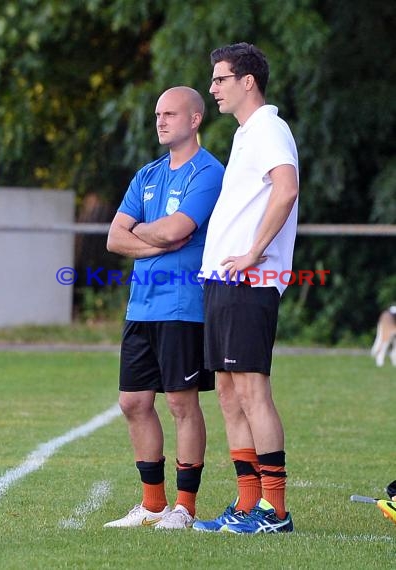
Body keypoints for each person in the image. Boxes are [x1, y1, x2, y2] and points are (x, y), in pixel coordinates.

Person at [104, 86, 224, 530]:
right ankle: (152, 504)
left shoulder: (208, 171)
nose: (160, 121)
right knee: (133, 401)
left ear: (195, 119)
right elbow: (115, 237)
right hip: (141, 307)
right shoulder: (148, 174)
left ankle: (185, 508)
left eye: (170, 113)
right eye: (157, 114)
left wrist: (149, 233)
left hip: (183, 307)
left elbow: (182, 227)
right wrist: (160, 242)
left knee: (180, 403)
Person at [192, 43, 299, 534]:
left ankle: (275, 512)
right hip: (222, 280)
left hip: (250, 281)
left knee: (253, 390)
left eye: (220, 79)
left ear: (247, 81)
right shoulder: (245, 135)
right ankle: (247, 501)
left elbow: (287, 187)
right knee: (230, 396)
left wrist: (255, 252)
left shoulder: (269, 129)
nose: (213, 88)